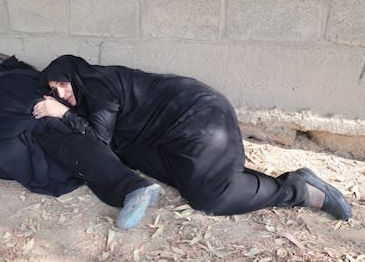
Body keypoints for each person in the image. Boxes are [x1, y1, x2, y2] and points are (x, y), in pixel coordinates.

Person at [33, 54, 352, 228]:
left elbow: (98, 143)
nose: (61, 92)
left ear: (74, 74)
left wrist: (62, 114)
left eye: (62, 83)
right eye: (54, 90)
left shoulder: (98, 87)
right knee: (176, 176)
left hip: (198, 117)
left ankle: (301, 190)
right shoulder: (91, 88)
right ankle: (247, 178)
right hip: (176, 128)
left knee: (211, 199)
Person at [0, 54, 163, 229]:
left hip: (18, 97)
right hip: (1, 126)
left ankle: (134, 188)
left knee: (50, 131)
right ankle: (92, 169)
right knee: (2, 161)